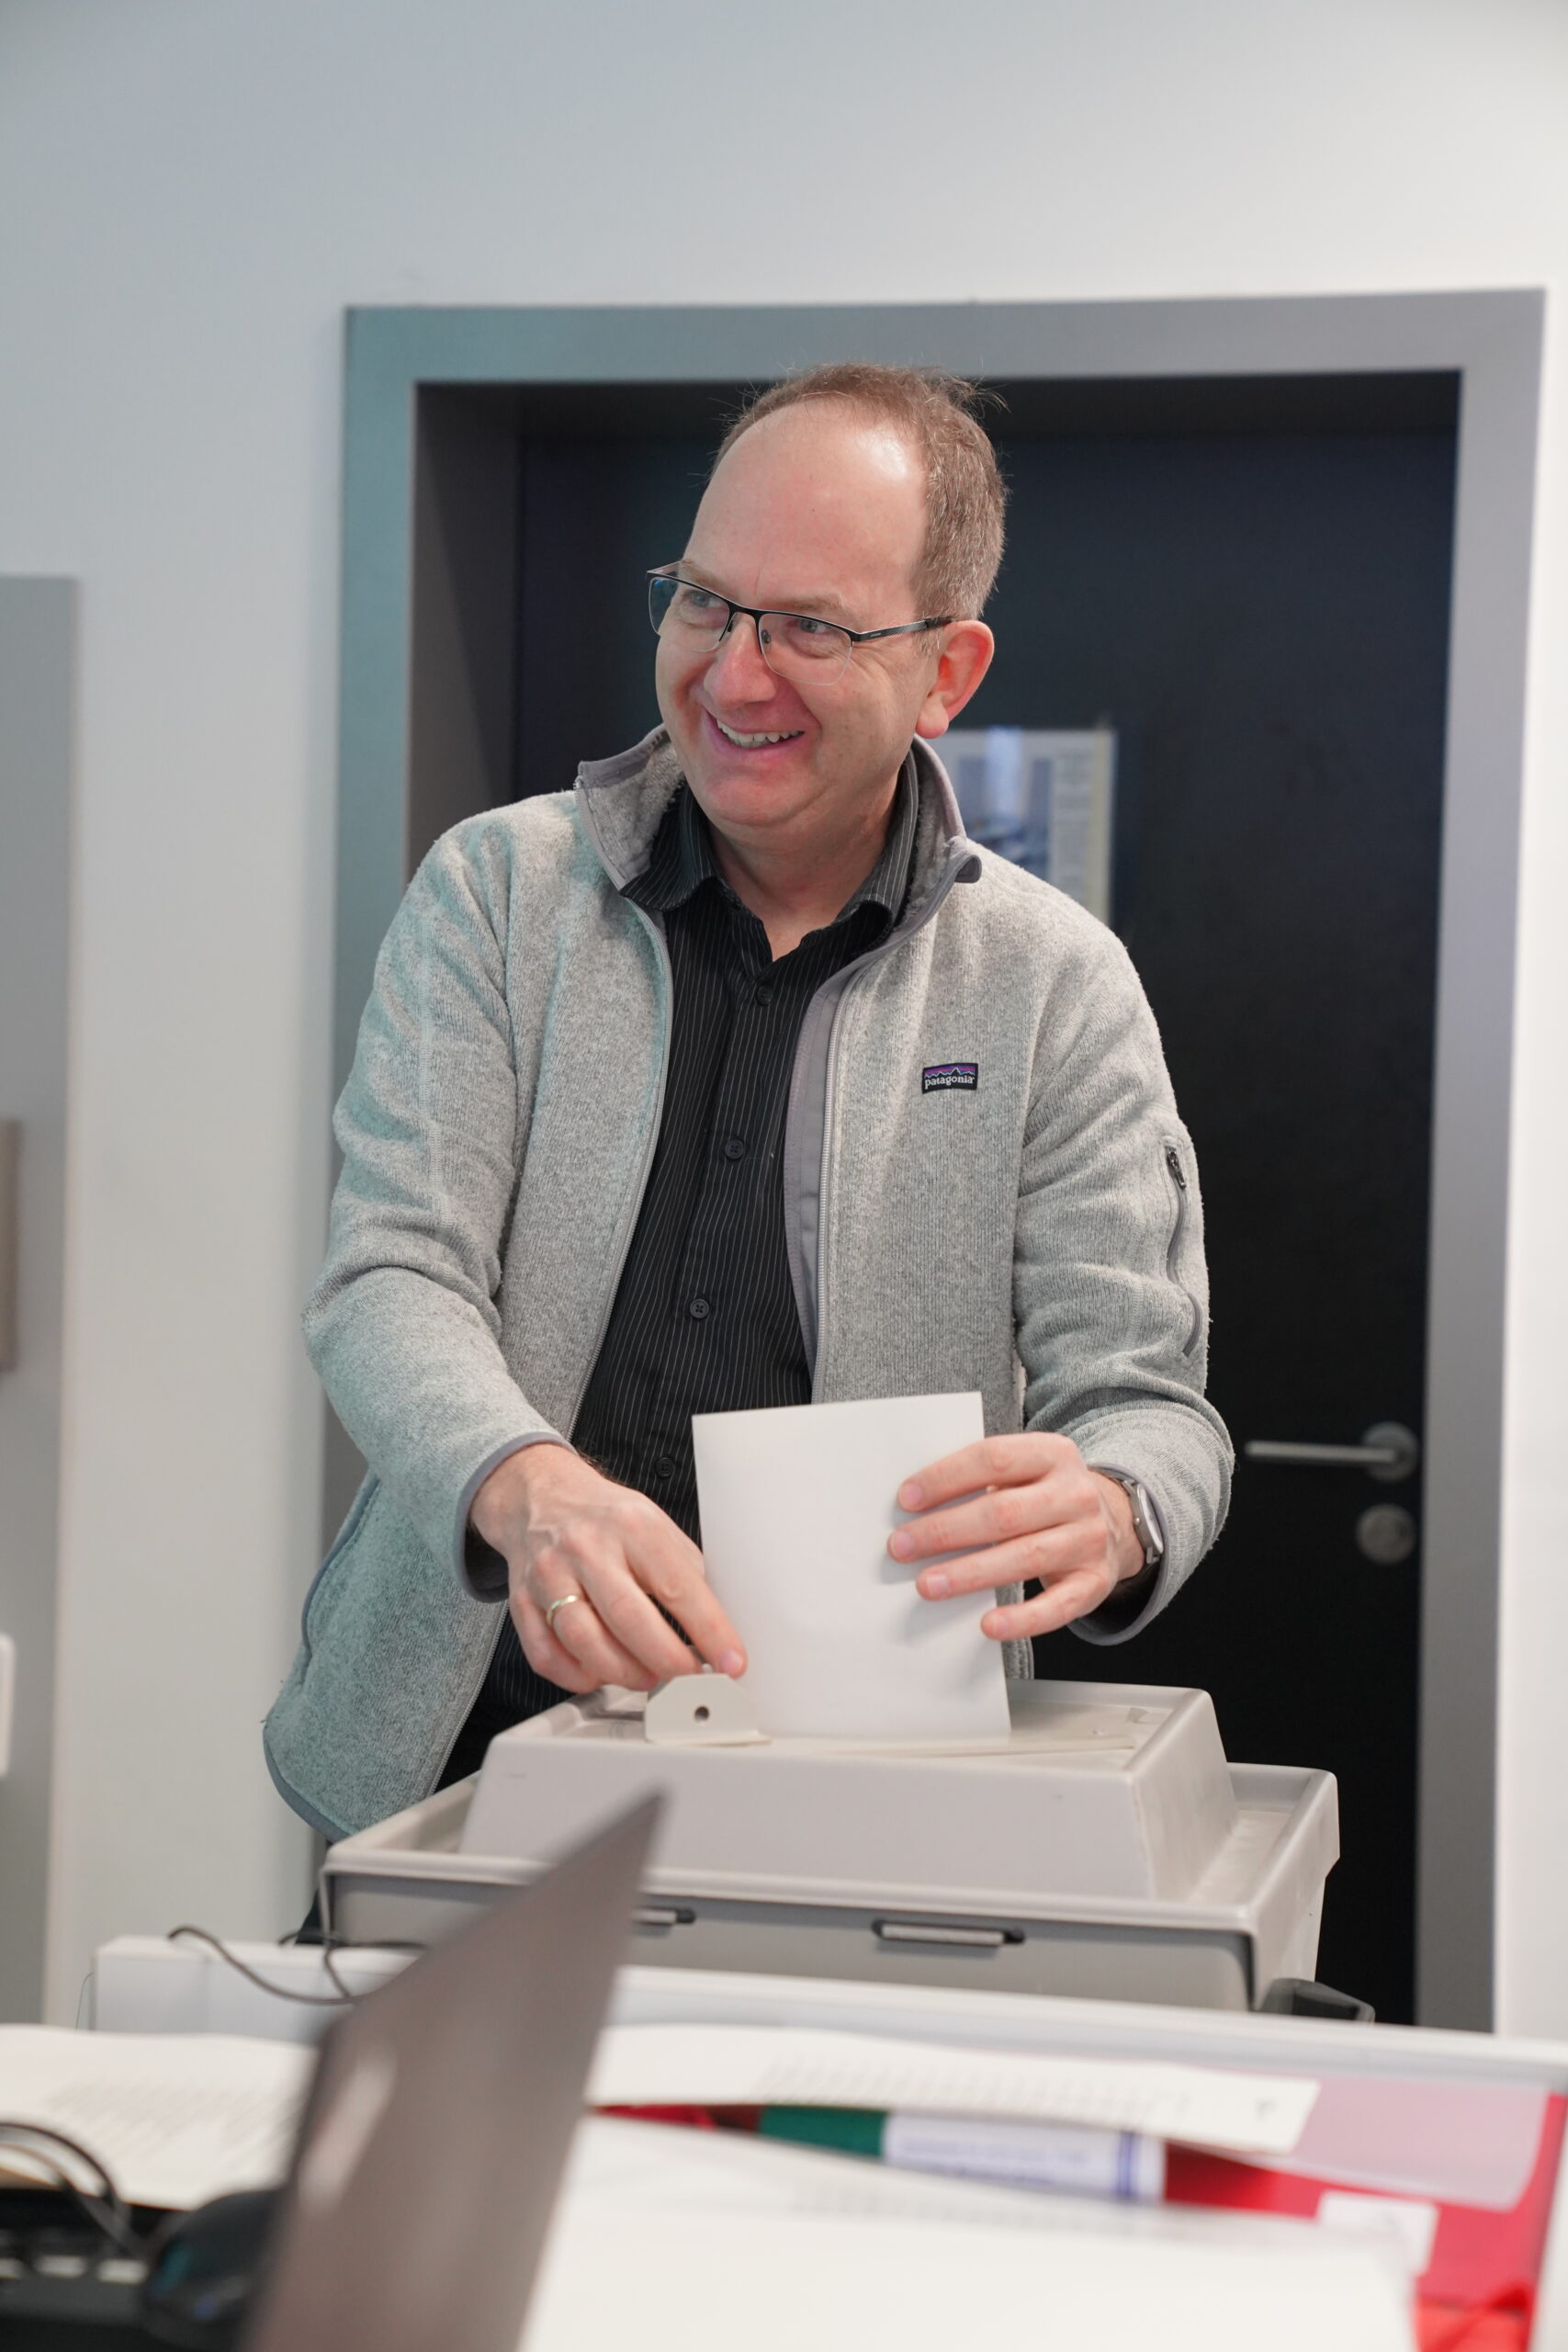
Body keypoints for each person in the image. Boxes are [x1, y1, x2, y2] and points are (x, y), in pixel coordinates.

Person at [264, 364, 1232, 1840]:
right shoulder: (497, 898)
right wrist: (528, 1485)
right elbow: (390, 1274)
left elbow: (1152, 1410)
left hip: (868, 1781)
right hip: (461, 1758)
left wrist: (1114, 1505)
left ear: (947, 675)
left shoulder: (1054, 985)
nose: (732, 674)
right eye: (705, 602)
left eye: (813, 628)